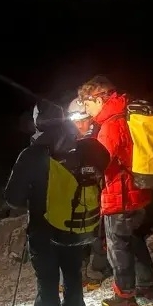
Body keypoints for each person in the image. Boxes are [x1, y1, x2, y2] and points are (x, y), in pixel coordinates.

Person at [5, 101, 110, 306]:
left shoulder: (33, 154)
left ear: (38, 122)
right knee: (74, 283)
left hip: (44, 232)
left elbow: (12, 198)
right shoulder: (85, 147)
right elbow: (104, 163)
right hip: (77, 229)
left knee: (48, 289)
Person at [77, 76, 153, 306]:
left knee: (117, 246)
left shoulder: (111, 125)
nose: (85, 109)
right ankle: (147, 285)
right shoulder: (124, 116)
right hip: (136, 192)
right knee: (134, 240)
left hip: (120, 195)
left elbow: (100, 162)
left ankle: (124, 296)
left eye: (87, 103)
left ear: (98, 98)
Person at [67, 98, 112, 291]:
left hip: (98, 194)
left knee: (97, 235)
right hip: (74, 196)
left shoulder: (100, 137)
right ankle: (71, 276)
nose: (79, 124)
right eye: (74, 120)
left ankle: (96, 272)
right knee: (71, 235)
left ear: (91, 119)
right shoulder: (67, 140)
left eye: (83, 119)